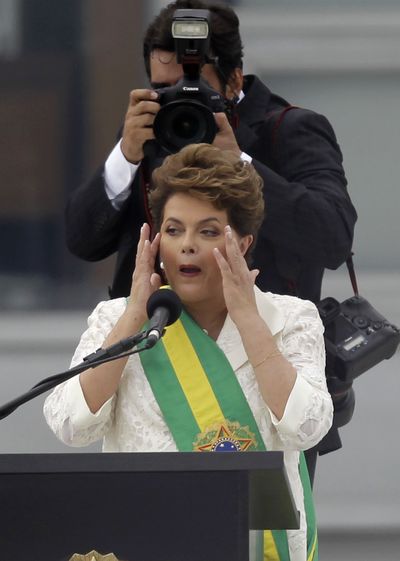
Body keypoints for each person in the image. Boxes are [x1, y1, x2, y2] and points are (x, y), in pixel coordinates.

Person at [65, 0, 357, 478]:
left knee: (262, 534)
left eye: (192, 88)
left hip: (264, 375)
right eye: (162, 88)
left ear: (235, 79)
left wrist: (241, 161)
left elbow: (333, 235)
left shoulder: (289, 129)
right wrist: (125, 154)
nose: (177, 100)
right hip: (154, 372)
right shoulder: (149, 129)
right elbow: (82, 240)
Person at [45, 143, 333, 561]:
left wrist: (249, 320)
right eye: (175, 230)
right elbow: (70, 426)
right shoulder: (116, 320)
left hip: (253, 548)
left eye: (209, 231)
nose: (188, 246)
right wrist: (134, 315)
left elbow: (308, 427)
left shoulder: (289, 318)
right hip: (141, 540)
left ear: (245, 241)